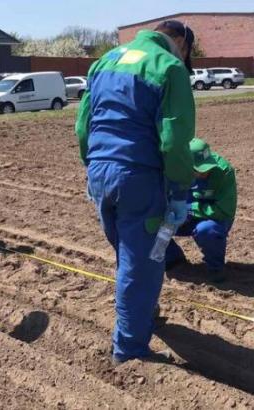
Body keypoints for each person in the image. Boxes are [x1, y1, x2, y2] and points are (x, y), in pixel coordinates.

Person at [75, 20, 196, 364]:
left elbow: (83, 126)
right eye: (186, 52)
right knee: (141, 265)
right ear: (179, 43)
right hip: (139, 178)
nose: (183, 57)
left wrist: (95, 167)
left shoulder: (104, 61)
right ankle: (129, 351)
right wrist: (179, 189)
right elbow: (174, 140)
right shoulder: (169, 67)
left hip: (101, 173)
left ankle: (143, 312)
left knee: (127, 254)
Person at [165, 138, 237, 282]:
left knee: (208, 230)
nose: (205, 172)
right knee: (151, 223)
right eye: (198, 170)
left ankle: (216, 268)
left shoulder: (224, 172)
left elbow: (225, 211)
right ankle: (173, 259)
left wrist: (191, 210)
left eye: (207, 166)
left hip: (211, 218)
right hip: (180, 216)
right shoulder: (171, 170)